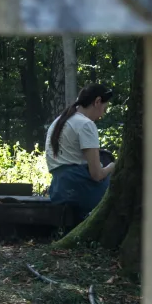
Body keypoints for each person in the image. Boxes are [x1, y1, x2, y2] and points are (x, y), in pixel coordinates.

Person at [45, 83, 116, 222]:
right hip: (80, 189)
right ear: (97, 102)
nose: (103, 113)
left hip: (59, 190)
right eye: (104, 108)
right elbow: (97, 175)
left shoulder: (59, 121)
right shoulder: (86, 124)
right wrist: (113, 166)